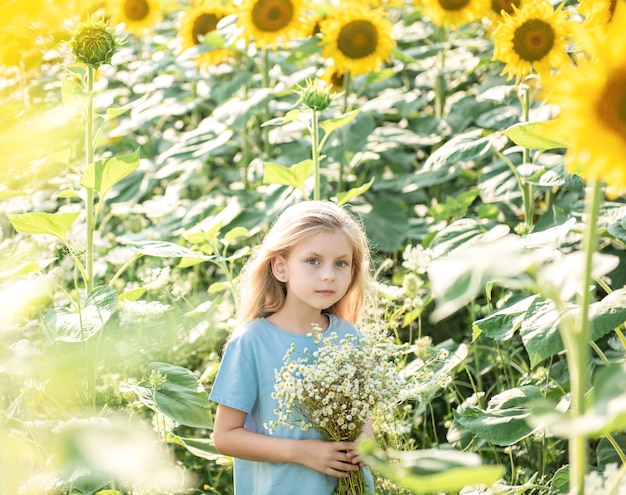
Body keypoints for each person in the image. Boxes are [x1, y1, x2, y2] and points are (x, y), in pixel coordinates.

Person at [209, 200, 376, 494]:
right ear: (281, 267)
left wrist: (366, 440)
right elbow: (225, 437)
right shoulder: (251, 342)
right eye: (313, 261)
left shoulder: (349, 335)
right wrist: (301, 452)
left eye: (341, 263)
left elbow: (362, 418)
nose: (328, 275)